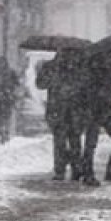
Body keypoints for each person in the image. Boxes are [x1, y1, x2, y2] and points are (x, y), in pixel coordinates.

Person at [36, 48, 86, 181]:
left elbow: (84, 87)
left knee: (71, 140)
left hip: (69, 109)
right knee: (63, 140)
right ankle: (64, 169)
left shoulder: (76, 67)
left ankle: (71, 169)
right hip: (61, 109)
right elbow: (40, 84)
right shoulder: (51, 67)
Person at [79, 50, 111, 186]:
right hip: (96, 109)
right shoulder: (93, 68)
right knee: (92, 143)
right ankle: (89, 173)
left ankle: (109, 171)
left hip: (107, 109)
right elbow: (85, 89)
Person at [0, 57, 20, 144]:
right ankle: (3, 133)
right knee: (2, 118)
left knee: (3, 117)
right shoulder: (4, 72)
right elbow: (17, 83)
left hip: (3, 98)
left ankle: (4, 133)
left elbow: (17, 84)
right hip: (4, 98)